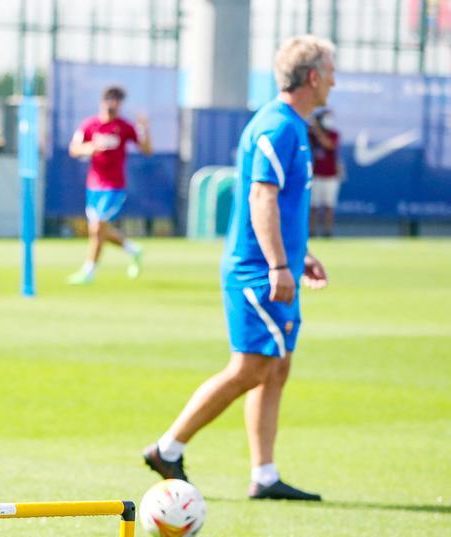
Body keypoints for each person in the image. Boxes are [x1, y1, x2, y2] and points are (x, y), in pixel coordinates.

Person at [142, 35, 334, 501]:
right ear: (312, 77)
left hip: (272, 262)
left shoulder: (293, 125)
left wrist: (297, 253)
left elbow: (277, 202)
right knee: (252, 366)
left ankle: (265, 475)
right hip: (256, 271)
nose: (334, 80)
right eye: (330, 70)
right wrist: (278, 264)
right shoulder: (279, 126)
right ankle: (168, 448)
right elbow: (260, 196)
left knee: (277, 366)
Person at [66, 85, 152, 285]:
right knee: (98, 230)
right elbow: (74, 149)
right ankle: (133, 249)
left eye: (117, 100)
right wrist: (90, 148)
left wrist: (145, 129)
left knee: (97, 228)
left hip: (114, 186)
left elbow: (147, 149)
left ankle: (89, 270)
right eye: (110, 99)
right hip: (94, 185)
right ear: (102, 102)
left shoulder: (124, 126)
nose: (113, 104)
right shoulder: (89, 125)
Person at [308, 109, 340, 238]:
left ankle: (327, 232)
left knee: (328, 206)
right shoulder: (311, 135)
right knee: (313, 207)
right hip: (315, 175)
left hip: (330, 175)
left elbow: (328, 145)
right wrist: (313, 129)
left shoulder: (334, 134)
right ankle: (311, 231)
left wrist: (317, 130)